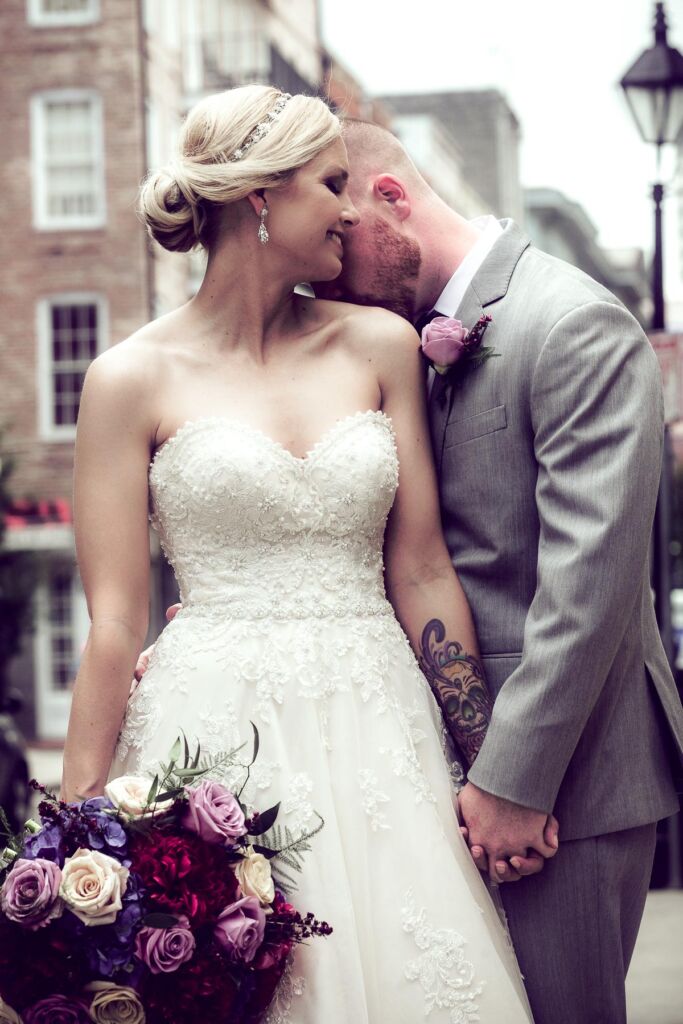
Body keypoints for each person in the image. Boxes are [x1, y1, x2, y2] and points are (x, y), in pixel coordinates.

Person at [61, 86, 537, 1023]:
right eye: (330, 185)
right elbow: (114, 620)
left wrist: (488, 771)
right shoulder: (127, 379)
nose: (352, 209)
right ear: (260, 198)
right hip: (209, 736)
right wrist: (76, 830)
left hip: (380, 725)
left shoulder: (381, 345)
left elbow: (422, 570)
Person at [313, 118, 683, 1024]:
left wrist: (514, 782)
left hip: (567, 777)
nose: (326, 273)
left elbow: (587, 588)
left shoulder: (571, 323)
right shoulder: (395, 341)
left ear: (390, 199)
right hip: (432, 766)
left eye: (340, 239)